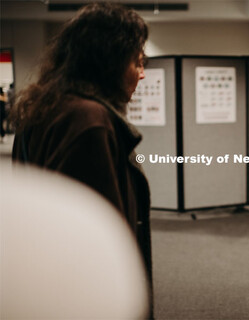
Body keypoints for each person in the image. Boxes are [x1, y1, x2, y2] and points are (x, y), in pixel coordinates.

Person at [9, 3, 153, 317]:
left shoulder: (44, 106)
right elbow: (93, 235)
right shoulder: (89, 120)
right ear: (110, 61)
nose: (142, 74)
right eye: (138, 62)